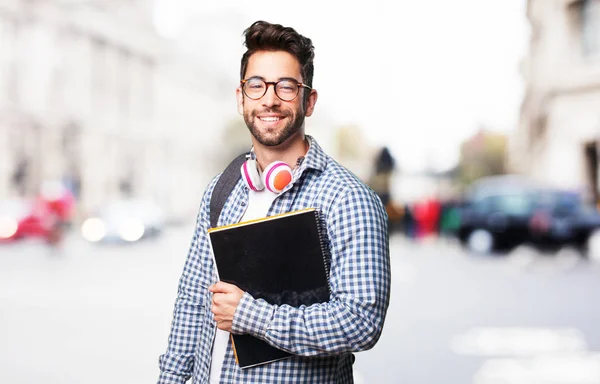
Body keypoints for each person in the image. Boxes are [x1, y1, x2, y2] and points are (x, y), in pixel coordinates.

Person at [158, 20, 391, 384]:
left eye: (286, 86)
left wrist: (251, 316)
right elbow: (192, 301)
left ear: (308, 101)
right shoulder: (222, 189)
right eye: (256, 85)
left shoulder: (349, 200)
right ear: (241, 97)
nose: (269, 99)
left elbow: (360, 324)